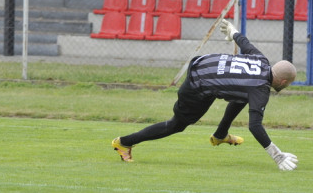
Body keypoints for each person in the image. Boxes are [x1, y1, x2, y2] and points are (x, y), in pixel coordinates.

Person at [112, 20, 299, 170]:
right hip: (197, 86)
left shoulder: (262, 59)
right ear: (283, 82)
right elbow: (255, 126)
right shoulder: (260, 89)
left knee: (242, 95)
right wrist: (276, 154)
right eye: (288, 84)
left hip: (204, 67)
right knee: (177, 125)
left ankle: (220, 135)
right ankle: (124, 142)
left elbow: (245, 43)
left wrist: (233, 31)